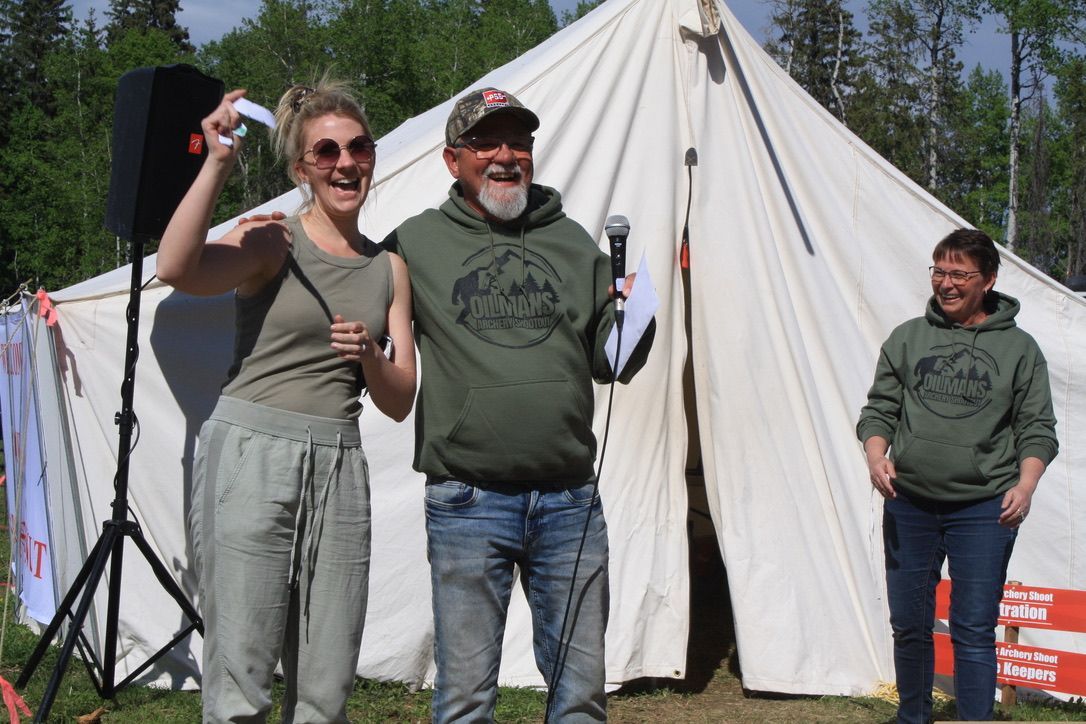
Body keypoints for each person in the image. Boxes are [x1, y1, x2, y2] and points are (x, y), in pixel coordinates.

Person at [382, 87, 654, 722]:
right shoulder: (414, 243)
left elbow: (608, 363)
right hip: (467, 502)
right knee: (466, 695)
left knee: (582, 694)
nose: (505, 155)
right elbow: (349, 282)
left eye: (518, 141)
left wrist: (637, 316)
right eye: (486, 142)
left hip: (570, 503)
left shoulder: (575, 243)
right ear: (454, 160)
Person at [157, 77, 416, 722]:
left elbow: (401, 397)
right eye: (326, 153)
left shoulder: (390, 268)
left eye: (358, 148)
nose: (345, 164)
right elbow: (175, 266)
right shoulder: (274, 240)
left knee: (327, 680)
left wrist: (370, 358)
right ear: (302, 168)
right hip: (253, 453)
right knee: (242, 668)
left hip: (339, 462)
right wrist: (217, 162)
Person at [856, 229, 1058, 723]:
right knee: (909, 624)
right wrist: (876, 454)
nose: (945, 283)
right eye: (939, 271)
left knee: (971, 626)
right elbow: (879, 410)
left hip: (984, 507)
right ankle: (913, 717)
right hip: (910, 502)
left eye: (959, 274)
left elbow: (1038, 430)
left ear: (987, 280)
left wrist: (1025, 485)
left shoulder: (1020, 350)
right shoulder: (907, 338)